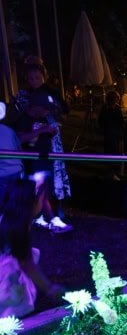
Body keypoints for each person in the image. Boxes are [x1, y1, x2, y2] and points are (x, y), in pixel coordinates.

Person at [14, 56, 72, 233]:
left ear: (43, 77)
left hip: (50, 140)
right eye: (30, 78)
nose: (34, 81)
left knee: (50, 179)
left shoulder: (51, 93)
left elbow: (63, 113)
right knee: (39, 181)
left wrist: (49, 115)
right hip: (33, 142)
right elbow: (21, 115)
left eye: (37, 78)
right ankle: (43, 217)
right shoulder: (24, 96)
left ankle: (49, 214)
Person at [0, 179, 64, 317]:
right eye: (41, 199)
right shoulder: (19, 230)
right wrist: (49, 288)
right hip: (5, 273)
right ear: (31, 204)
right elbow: (27, 264)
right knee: (11, 301)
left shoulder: (8, 219)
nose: (43, 203)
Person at [0, 102, 24, 205]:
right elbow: (19, 149)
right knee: (12, 203)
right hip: (16, 170)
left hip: (3, 172)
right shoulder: (9, 130)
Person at [98, 90, 125, 180]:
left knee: (117, 152)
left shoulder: (117, 108)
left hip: (116, 134)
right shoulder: (105, 108)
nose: (115, 100)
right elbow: (101, 120)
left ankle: (115, 171)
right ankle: (109, 171)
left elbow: (120, 121)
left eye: (116, 98)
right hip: (109, 133)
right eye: (113, 98)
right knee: (109, 151)